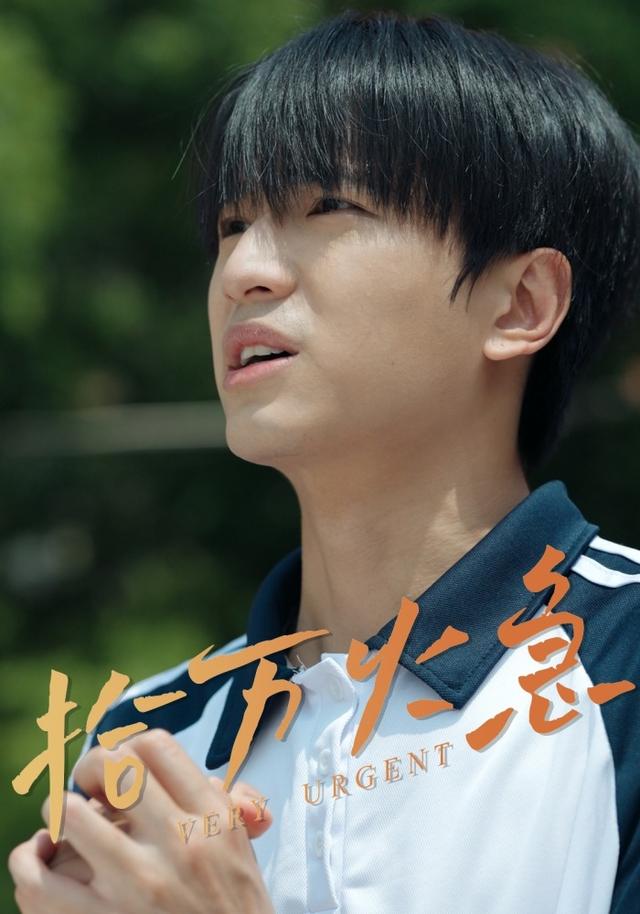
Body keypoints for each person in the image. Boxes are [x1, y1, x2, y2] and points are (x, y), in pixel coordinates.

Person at [8, 8, 640, 913]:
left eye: (327, 207)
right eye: (232, 224)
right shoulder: (150, 737)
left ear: (521, 304)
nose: (243, 271)